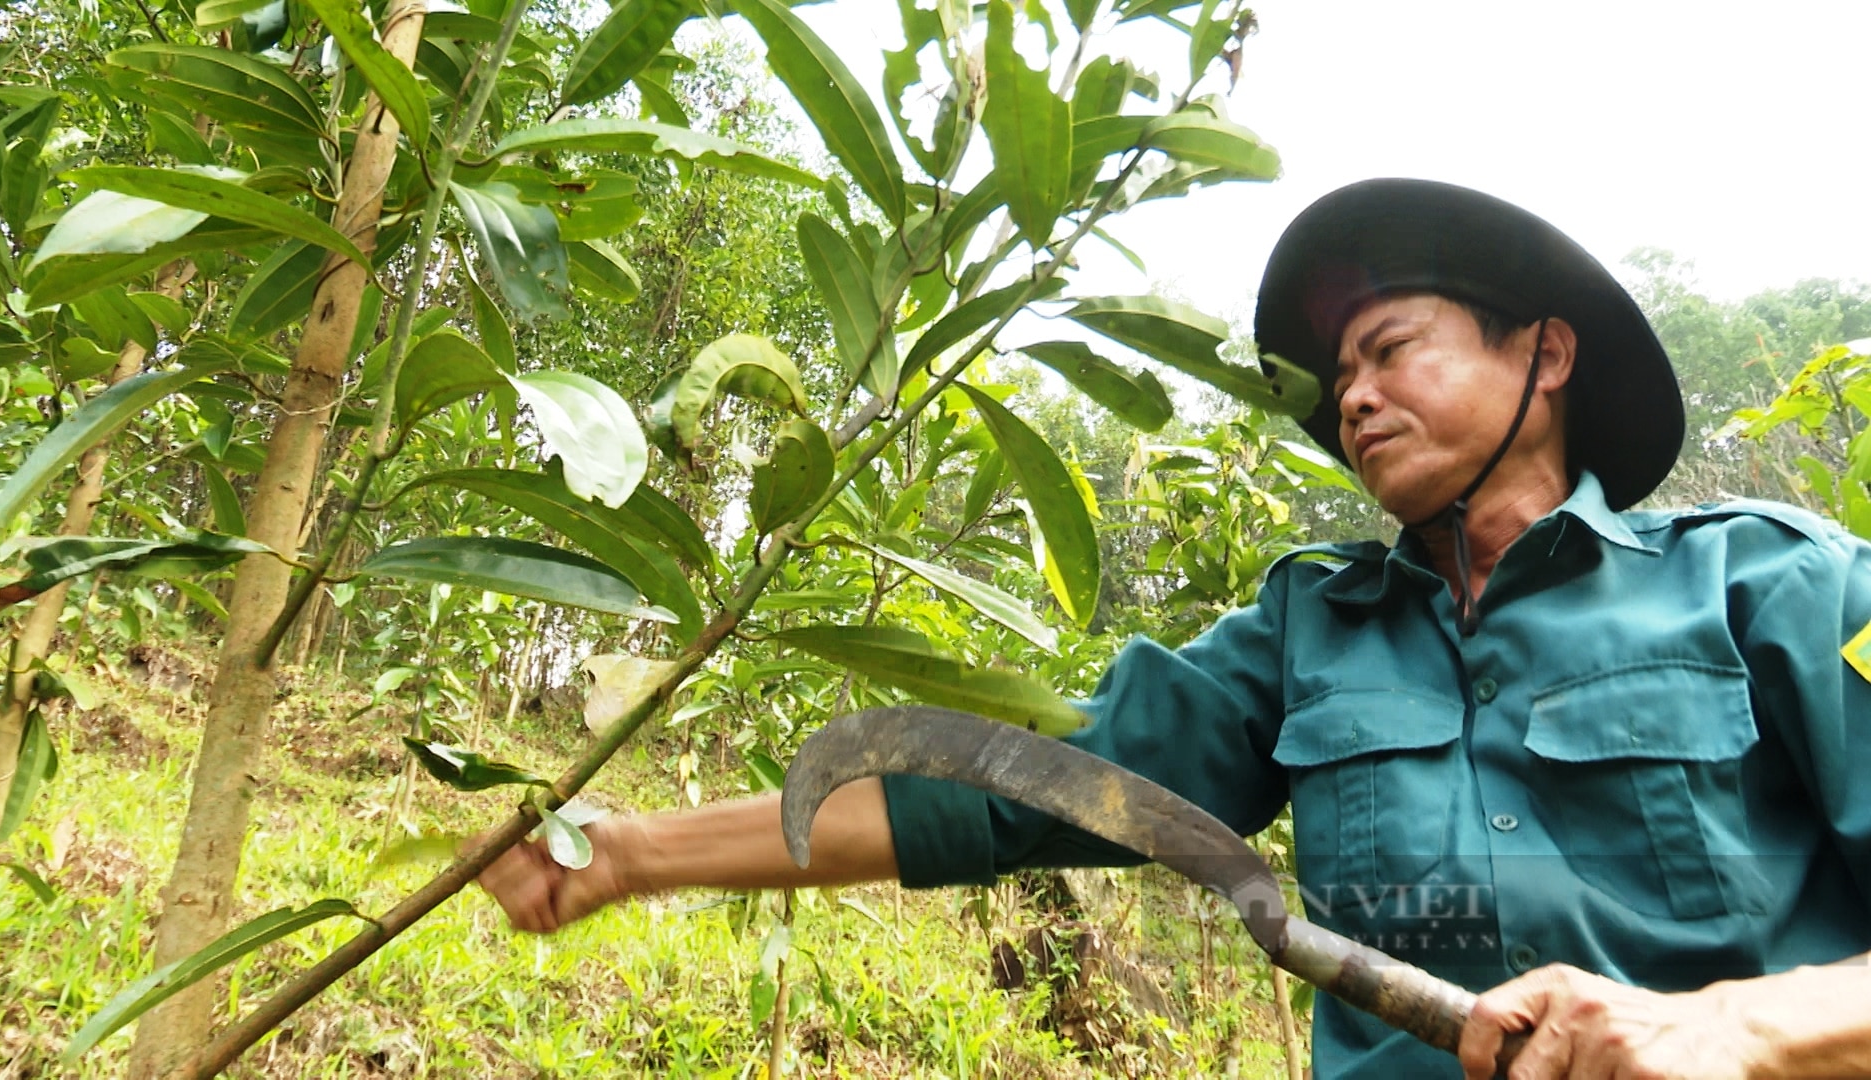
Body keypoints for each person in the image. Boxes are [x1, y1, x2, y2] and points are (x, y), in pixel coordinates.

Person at [475, 179, 1871, 1078]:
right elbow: (1009, 799)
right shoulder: (1306, 630)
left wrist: (1732, 1028)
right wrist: (618, 860)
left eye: (1392, 349)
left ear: (1545, 356)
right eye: (1338, 384)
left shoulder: (1778, 591)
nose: (1355, 401)